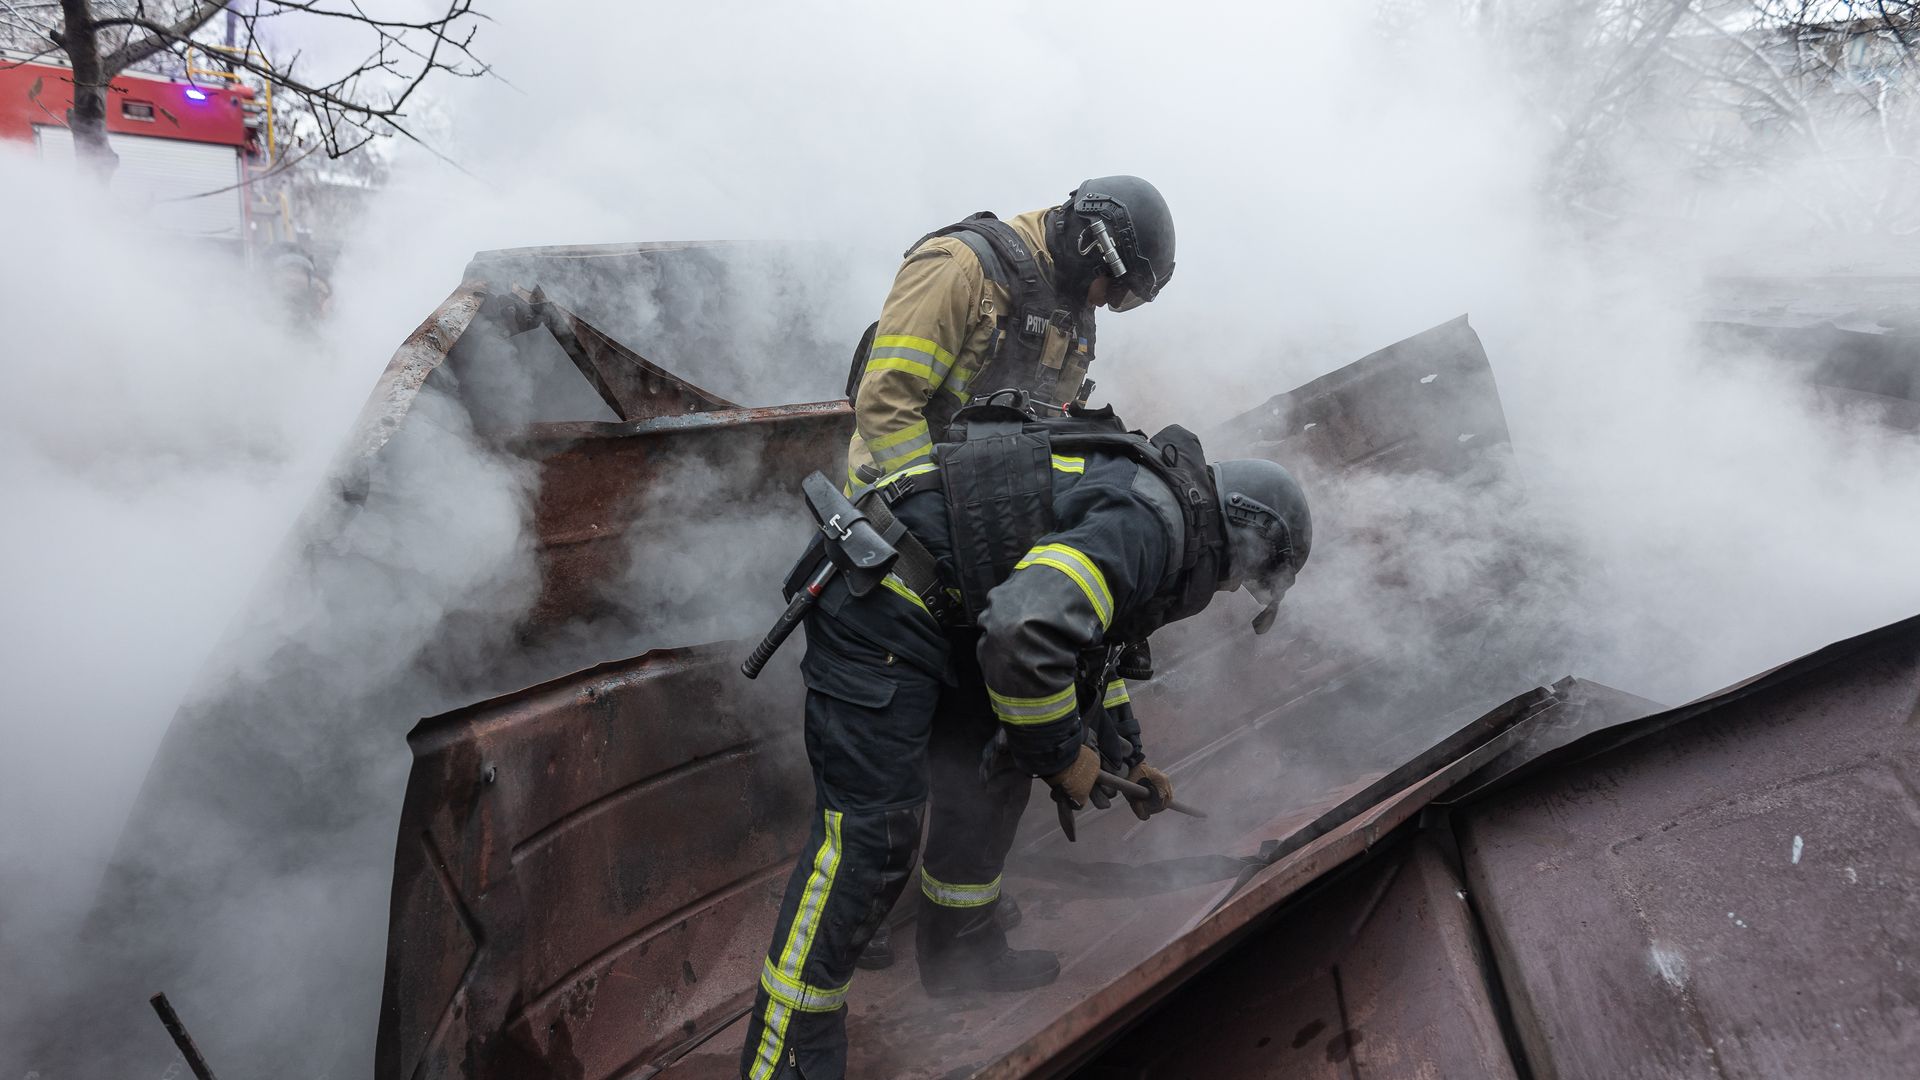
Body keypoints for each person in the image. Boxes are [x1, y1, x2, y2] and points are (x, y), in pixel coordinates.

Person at [740, 404, 1312, 1080]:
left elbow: (1090, 646)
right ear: (1241, 532)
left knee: (993, 770)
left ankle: (960, 955)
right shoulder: (1149, 525)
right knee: (871, 835)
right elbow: (1024, 630)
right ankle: (784, 1060)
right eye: (1240, 578)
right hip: (882, 606)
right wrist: (1064, 755)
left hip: (950, 614)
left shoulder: (1162, 511)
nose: (1226, 590)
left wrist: (1125, 753)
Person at [842, 175, 1175, 490]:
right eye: (1115, 289)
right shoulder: (958, 267)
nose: (1106, 304)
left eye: (1123, 300)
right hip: (895, 505)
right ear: (1088, 245)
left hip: (992, 502)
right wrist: (939, 499)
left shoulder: (1070, 308)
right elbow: (885, 402)